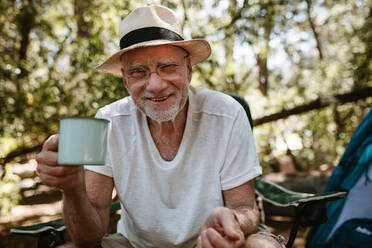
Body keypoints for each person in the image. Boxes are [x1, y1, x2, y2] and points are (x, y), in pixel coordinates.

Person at [36, 5, 282, 248]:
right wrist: (72, 189)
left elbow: (244, 208)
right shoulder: (107, 121)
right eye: (139, 72)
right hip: (135, 244)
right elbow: (87, 238)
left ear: (188, 69)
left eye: (167, 67)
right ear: (125, 79)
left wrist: (234, 220)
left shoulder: (227, 114)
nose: (154, 85)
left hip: (211, 242)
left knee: (262, 246)